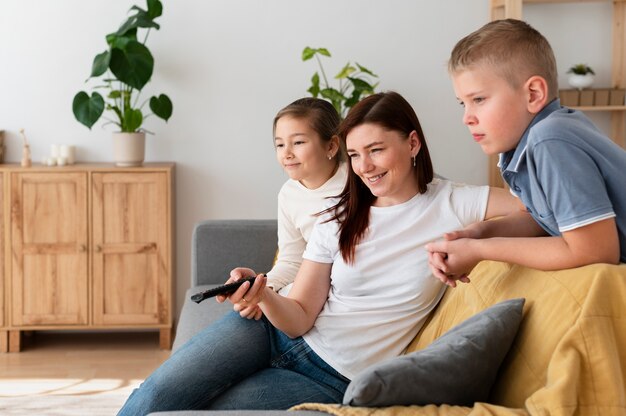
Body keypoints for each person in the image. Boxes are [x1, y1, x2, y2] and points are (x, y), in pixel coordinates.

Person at [117, 91, 517, 415]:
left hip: (330, 378)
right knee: (156, 396)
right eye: (356, 155)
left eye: (376, 150)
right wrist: (262, 293)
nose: (365, 167)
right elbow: (299, 317)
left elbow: (543, 212)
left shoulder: (453, 203)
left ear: (413, 142)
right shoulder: (340, 215)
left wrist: (477, 240)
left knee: (198, 409)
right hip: (271, 332)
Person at [426, 19, 626, 288]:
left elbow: (595, 251)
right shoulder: (525, 147)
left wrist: (482, 251)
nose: (467, 118)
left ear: (533, 94)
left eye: (479, 100)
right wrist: (479, 234)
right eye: (463, 103)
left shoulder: (550, 139)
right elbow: (541, 218)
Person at [236, 97, 348, 320]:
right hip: (304, 295)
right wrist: (266, 290)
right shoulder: (289, 194)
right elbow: (292, 260)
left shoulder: (358, 181)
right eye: (279, 144)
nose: (286, 153)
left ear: (331, 145)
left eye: (298, 143)